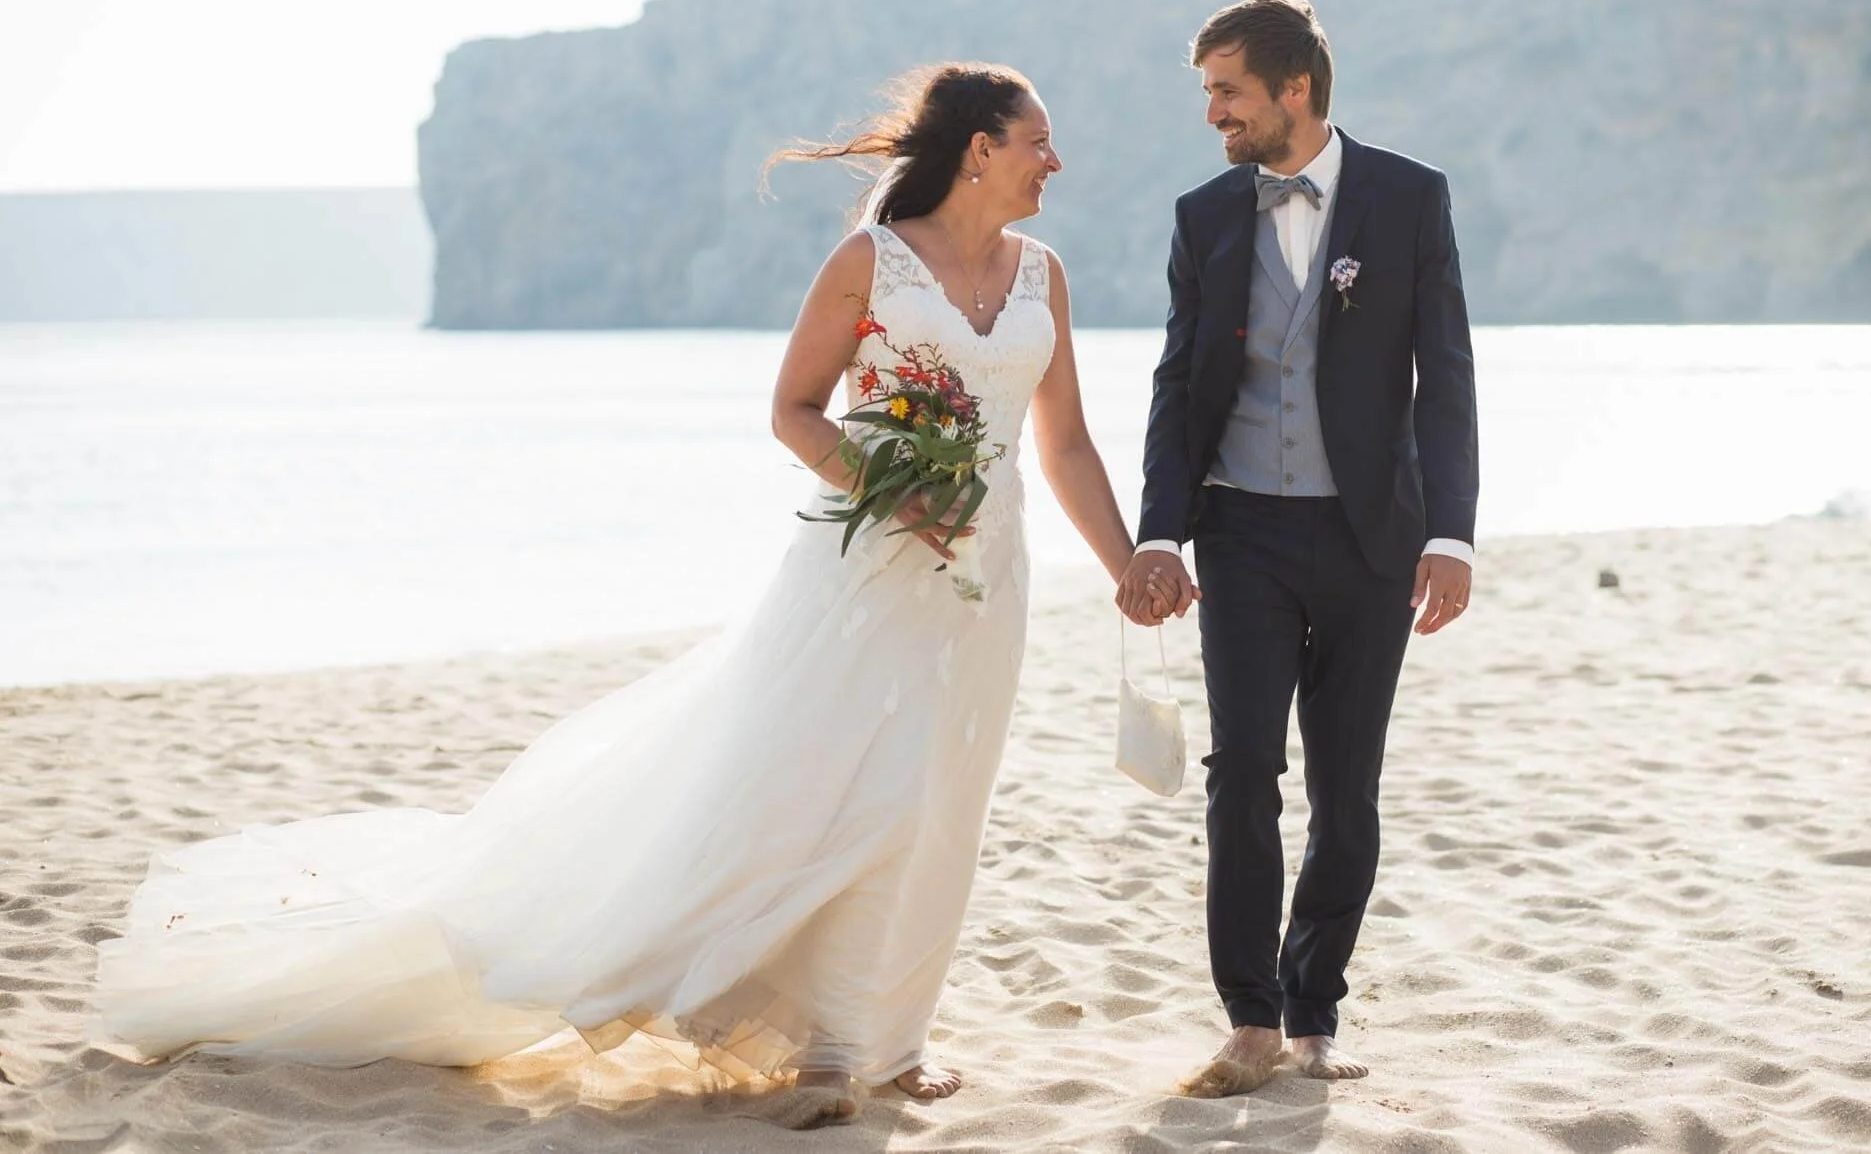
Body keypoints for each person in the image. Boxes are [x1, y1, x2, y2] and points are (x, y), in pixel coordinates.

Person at [93, 63, 1148, 1130]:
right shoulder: (868, 262)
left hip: (988, 576)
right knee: (844, 787)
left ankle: (894, 1038)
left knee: (943, 802)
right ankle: (828, 1049)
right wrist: (891, 487)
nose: (1051, 161)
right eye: (1037, 141)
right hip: (867, 570)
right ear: (978, 148)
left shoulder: (1040, 277)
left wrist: (1123, 567)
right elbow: (793, 410)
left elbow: (1060, 441)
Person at [1117, 0, 1480, 1095]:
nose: (1212, 114)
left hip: (1373, 535)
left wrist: (1453, 534)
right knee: (1240, 772)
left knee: (1346, 783)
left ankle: (1315, 1009)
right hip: (1240, 534)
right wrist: (1161, 531)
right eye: (1207, 93)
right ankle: (1250, 1016)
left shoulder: (1409, 197)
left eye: (1226, 91)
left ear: (1295, 88)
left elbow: (1444, 373)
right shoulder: (1203, 215)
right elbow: (1179, 382)